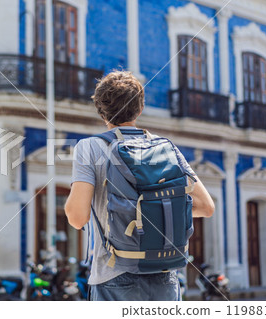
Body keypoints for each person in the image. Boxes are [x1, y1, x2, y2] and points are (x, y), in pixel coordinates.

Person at [64, 71, 215, 301]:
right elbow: (206, 207)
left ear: (101, 111)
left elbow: (77, 217)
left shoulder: (89, 148)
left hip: (113, 277)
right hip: (165, 276)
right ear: (140, 108)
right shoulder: (167, 148)